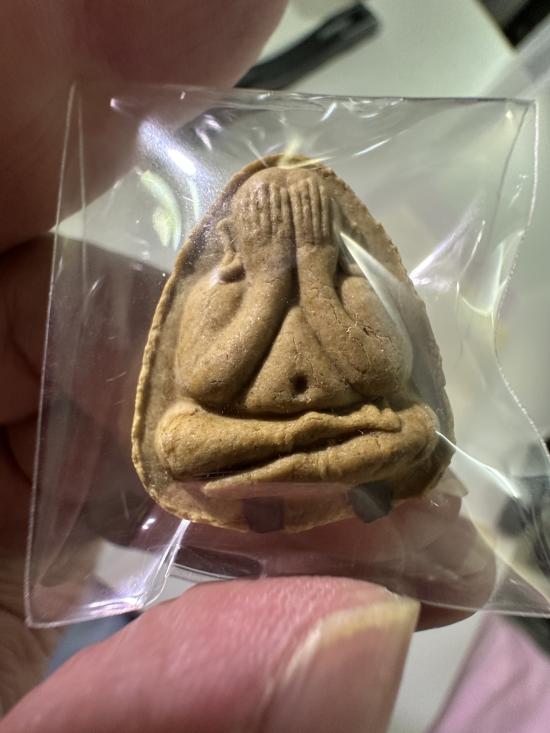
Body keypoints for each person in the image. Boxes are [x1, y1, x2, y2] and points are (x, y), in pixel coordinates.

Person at [0, 3, 481, 731]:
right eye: (266, 227)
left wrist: (315, 270)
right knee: (177, 441)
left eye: (301, 224)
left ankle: (297, 464)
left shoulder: (348, 280)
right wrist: (266, 284)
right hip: (246, 438)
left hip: (346, 429)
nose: (282, 235)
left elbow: (375, 371)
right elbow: (211, 381)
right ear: (236, 235)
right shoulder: (219, 286)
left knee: (412, 432)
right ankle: (290, 462)